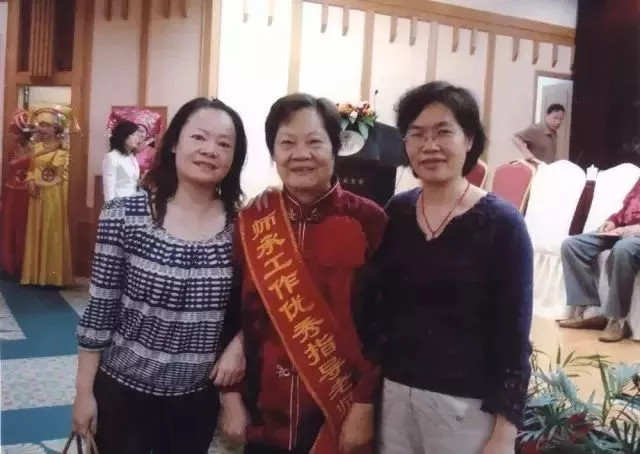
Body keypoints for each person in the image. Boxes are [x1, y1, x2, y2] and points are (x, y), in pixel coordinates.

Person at [363, 82, 533, 454]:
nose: (430, 145)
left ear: (469, 139)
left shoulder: (502, 224)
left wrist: (504, 434)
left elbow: (514, 336)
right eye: (417, 134)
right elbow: (377, 309)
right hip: (395, 398)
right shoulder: (396, 213)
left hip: (466, 408)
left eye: (443, 132)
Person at [73, 98, 248, 453]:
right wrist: (83, 393)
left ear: (234, 158)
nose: (210, 150)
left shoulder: (244, 228)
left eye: (224, 144)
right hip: (122, 393)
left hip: (195, 401)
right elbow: (100, 311)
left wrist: (239, 346)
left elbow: (257, 307)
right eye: (198, 137)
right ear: (174, 144)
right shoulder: (124, 215)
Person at [219, 93, 387, 454]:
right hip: (264, 417)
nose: (301, 154)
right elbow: (232, 312)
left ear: (335, 148)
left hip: (340, 414)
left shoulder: (370, 220)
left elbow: (386, 324)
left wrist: (364, 404)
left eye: (314, 142)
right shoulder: (252, 223)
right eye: (287, 143)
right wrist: (230, 397)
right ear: (273, 152)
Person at [558, 177, 640, 342]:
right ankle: (590, 312)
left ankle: (617, 321)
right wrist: (613, 221)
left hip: (635, 236)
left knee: (622, 249)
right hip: (624, 230)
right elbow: (626, 209)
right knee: (572, 245)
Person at [21, 106, 74, 286]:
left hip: (54, 194)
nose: (41, 129)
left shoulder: (64, 150)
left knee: (52, 229)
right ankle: (34, 276)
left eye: (46, 125)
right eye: (40, 125)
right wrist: (30, 181)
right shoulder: (36, 147)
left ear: (56, 128)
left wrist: (42, 182)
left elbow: (61, 175)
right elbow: (31, 169)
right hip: (36, 194)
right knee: (36, 229)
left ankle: (52, 276)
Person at [1, 110, 32, 278]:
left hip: (28, 193)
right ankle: (10, 264)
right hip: (12, 191)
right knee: (10, 226)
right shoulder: (12, 148)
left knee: (25, 227)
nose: (14, 135)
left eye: (16, 132)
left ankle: (24, 265)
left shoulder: (37, 149)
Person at [102, 120, 142, 202]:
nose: (137, 138)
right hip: (119, 202)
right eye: (133, 135)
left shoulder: (132, 157)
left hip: (133, 202)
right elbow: (108, 187)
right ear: (123, 136)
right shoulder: (112, 157)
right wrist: (111, 206)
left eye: (138, 135)